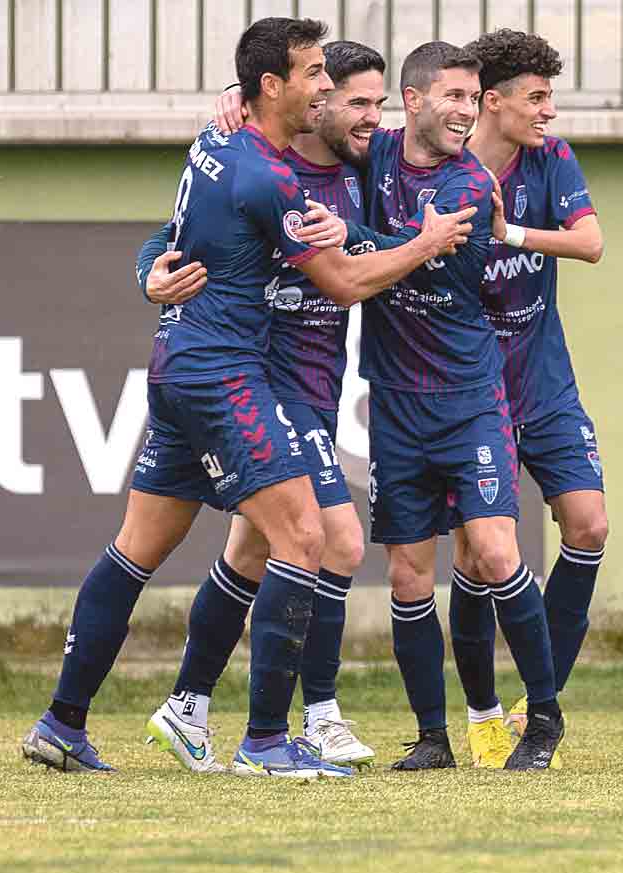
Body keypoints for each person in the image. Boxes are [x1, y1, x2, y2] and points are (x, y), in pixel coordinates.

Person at [20, 16, 477, 779]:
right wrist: (423, 245)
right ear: (274, 87)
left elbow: (189, 226)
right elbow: (341, 281)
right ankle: (269, 740)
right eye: (315, 78)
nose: (330, 91)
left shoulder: (218, 140)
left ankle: (65, 721)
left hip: (180, 363)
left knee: (140, 548)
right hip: (228, 374)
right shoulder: (269, 175)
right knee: (310, 539)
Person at [137, 40, 414, 772]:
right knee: (334, 541)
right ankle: (308, 719)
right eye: (344, 96)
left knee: (255, 548)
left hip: (319, 386)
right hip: (271, 381)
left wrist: (363, 232)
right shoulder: (261, 161)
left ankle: (190, 702)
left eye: (371, 103)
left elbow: (422, 161)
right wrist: (148, 274)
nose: (360, 113)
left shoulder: (364, 168)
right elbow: (173, 235)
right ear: (296, 98)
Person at [356, 41, 566, 772]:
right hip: (395, 404)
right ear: (411, 101)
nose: (464, 111)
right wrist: (230, 112)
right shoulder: (373, 155)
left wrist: (379, 244)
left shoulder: (472, 186)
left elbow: (377, 261)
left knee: (497, 552)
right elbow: (311, 140)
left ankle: (542, 721)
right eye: (452, 96)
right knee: (409, 576)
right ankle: (432, 739)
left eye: (472, 100)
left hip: (470, 399)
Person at [448, 28, 606, 769]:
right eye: (537, 97)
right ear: (493, 101)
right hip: (471, 393)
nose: (549, 111)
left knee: (589, 524)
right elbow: (336, 131)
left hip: (544, 383)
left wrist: (508, 231)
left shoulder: (552, 159)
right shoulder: (432, 166)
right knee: (479, 559)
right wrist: (234, 99)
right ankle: (481, 715)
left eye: (551, 97)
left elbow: (591, 242)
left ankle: (539, 708)